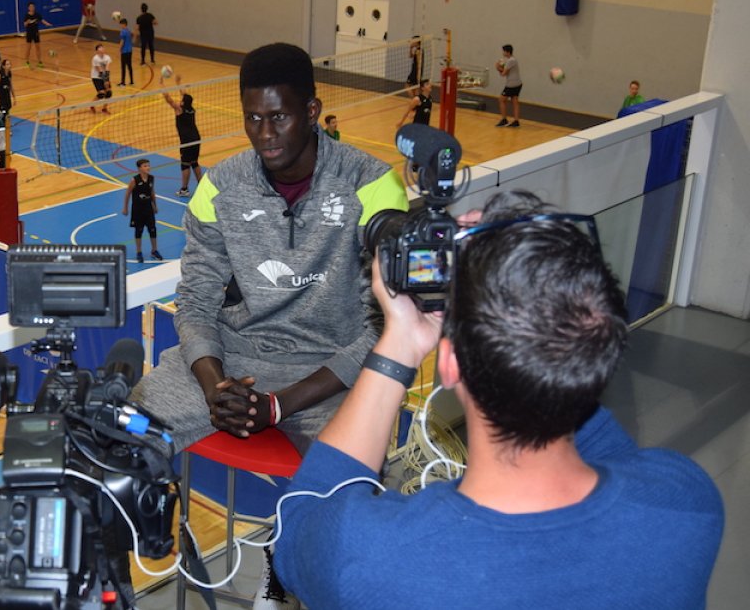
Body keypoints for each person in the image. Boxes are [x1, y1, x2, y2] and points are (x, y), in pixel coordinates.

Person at [274, 191, 724, 608]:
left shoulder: (371, 560)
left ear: (449, 365)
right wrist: (536, 279)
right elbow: (575, 393)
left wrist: (400, 344)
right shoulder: (684, 499)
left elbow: (303, 514)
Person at [131, 43, 407, 608]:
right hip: (235, 358)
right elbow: (197, 301)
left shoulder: (373, 186)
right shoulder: (220, 186)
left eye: (278, 117)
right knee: (121, 432)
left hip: (332, 372)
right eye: (252, 118)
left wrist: (280, 407)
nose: (264, 133)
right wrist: (214, 387)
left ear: (311, 110)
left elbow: (386, 329)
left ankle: (287, 568)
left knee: (349, 498)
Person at [161, 73, 202, 196]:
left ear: (183, 103)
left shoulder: (179, 110)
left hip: (187, 141)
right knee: (194, 162)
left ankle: (184, 189)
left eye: (181, 101)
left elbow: (168, 99)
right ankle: (201, 186)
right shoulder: (191, 108)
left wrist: (162, 84)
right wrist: (178, 83)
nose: (179, 100)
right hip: (196, 139)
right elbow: (185, 95)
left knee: (185, 164)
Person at [122, 158, 163, 264]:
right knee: (138, 231)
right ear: (139, 168)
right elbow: (127, 194)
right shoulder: (134, 180)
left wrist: (155, 205)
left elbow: (152, 192)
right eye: (145, 166)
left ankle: (154, 250)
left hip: (148, 209)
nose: (148, 167)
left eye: (148, 165)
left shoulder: (151, 178)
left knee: (152, 230)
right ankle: (139, 252)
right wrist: (125, 208)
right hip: (137, 210)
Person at [495, 43, 522, 127]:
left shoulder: (510, 61)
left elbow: (503, 74)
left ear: (507, 52)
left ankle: (504, 119)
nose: (503, 53)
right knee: (515, 102)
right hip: (518, 84)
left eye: (504, 51)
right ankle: (516, 121)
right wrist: (501, 69)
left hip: (511, 85)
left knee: (501, 100)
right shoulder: (512, 60)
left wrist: (497, 67)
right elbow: (505, 72)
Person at [22, 2, 51, 68]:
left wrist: (47, 24)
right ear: (28, 8)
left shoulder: (37, 15)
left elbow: (42, 20)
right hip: (29, 33)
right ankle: (27, 61)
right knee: (28, 48)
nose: (32, 8)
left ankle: (39, 62)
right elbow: (24, 24)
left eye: (33, 6)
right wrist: (27, 22)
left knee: (38, 47)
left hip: (36, 33)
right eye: (31, 7)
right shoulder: (27, 16)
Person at [90, 43, 113, 114]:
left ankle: (104, 109)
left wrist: (107, 80)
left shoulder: (107, 57)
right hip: (96, 77)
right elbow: (99, 71)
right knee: (102, 94)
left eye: (102, 47)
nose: (102, 49)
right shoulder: (95, 58)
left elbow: (107, 68)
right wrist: (105, 80)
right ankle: (91, 104)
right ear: (97, 51)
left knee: (109, 92)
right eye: (100, 48)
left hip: (104, 76)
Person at [117, 19, 134, 87]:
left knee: (123, 66)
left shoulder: (123, 31)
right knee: (129, 66)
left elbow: (122, 41)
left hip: (124, 51)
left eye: (121, 24)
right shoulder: (129, 31)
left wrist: (119, 49)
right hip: (130, 51)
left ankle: (123, 82)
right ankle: (132, 81)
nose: (120, 26)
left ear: (124, 24)